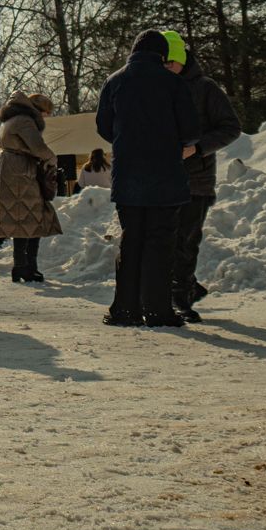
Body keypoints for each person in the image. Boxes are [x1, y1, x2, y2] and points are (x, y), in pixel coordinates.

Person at [96, 32, 201, 327]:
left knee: (131, 241)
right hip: (165, 175)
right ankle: (157, 310)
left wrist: (125, 137)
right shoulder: (173, 83)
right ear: (162, 54)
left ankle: (124, 310)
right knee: (160, 242)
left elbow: (104, 126)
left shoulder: (115, 81)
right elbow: (192, 130)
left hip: (128, 174)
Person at [161, 32, 242, 323]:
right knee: (165, 240)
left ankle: (181, 296)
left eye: (170, 62)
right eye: (161, 63)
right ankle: (181, 288)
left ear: (182, 61)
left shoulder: (205, 89)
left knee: (185, 240)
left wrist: (198, 148)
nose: (166, 68)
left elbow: (230, 128)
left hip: (196, 179)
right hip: (162, 178)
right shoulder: (156, 89)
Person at [0, 93, 61, 284]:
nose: (46, 117)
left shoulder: (11, 119)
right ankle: (28, 267)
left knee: (22, 220)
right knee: (32, 218)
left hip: (12, 169)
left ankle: (21, 266)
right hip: (21, 171)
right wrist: (52, 158)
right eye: (46, 113)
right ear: (39, 109)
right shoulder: (25, 120)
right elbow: (37, 146)